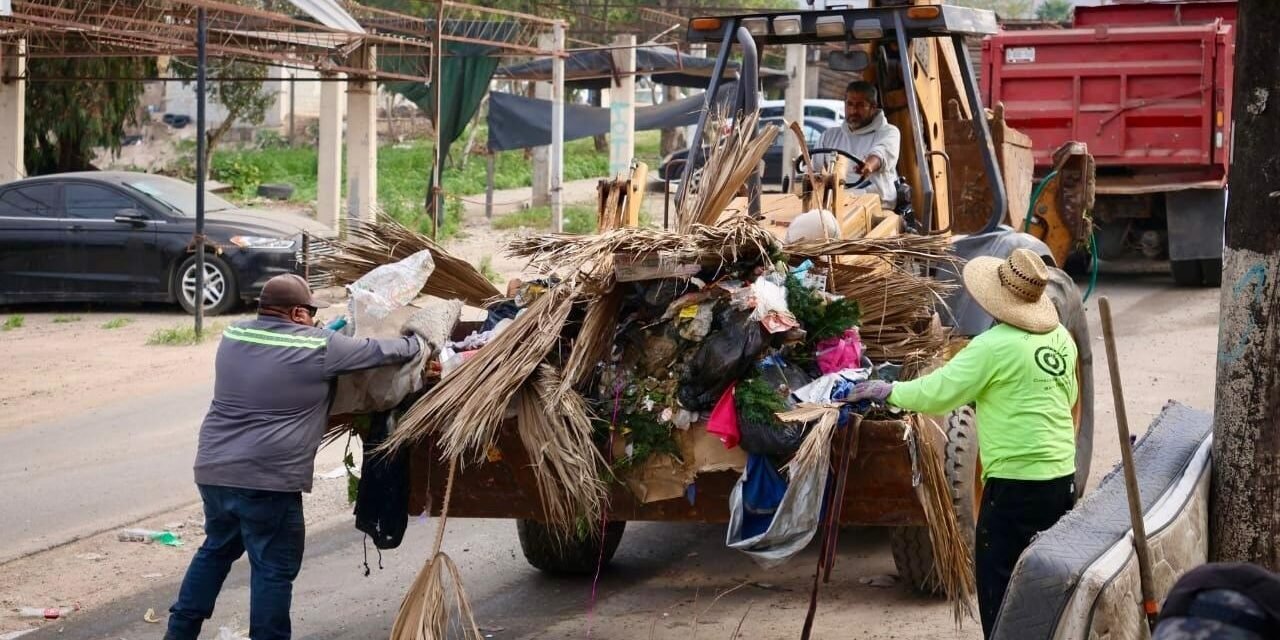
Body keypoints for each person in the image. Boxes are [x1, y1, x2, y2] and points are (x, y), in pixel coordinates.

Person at [165, 274, 428, 640]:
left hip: (214, 472)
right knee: (273, 568)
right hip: (268, 480)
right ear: (299, 312)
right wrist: (417, 343)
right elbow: (376, 351)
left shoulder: (233, 336)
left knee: (215, 551)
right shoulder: (318, 346)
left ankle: (179, 633)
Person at [848, 249, 1078, 639]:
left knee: (999, 586)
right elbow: (1068, 398)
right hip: (1062, 480)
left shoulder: (992, 346)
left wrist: (889, 390)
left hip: (1014, 486)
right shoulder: (1061, 341)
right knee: (1048, 585)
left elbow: (938, 393)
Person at [814, 80, 901, 209]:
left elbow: (881, 153)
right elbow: (815, 169)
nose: (853, 110)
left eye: (860, 105)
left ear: (873, 107)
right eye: (850, 104)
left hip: (877, 207)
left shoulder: (889, 132)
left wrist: (869, 165)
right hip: (835, 204)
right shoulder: (829, 136)